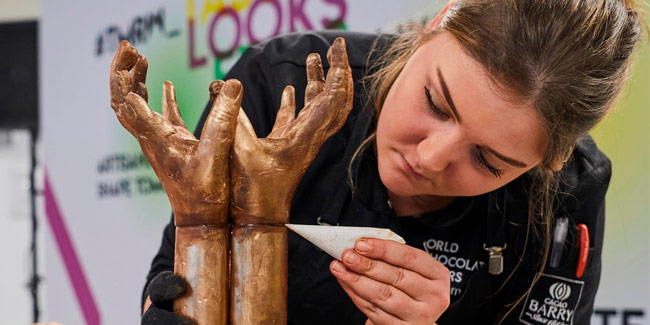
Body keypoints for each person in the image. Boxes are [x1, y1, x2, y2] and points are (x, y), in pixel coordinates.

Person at [140, 0, 644, 324]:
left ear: (549, 162)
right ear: (438, 23)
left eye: (488, 161)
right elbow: (174, 272)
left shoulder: (571, 192)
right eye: (434, 101)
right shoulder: (283, 88)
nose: (427, 158)